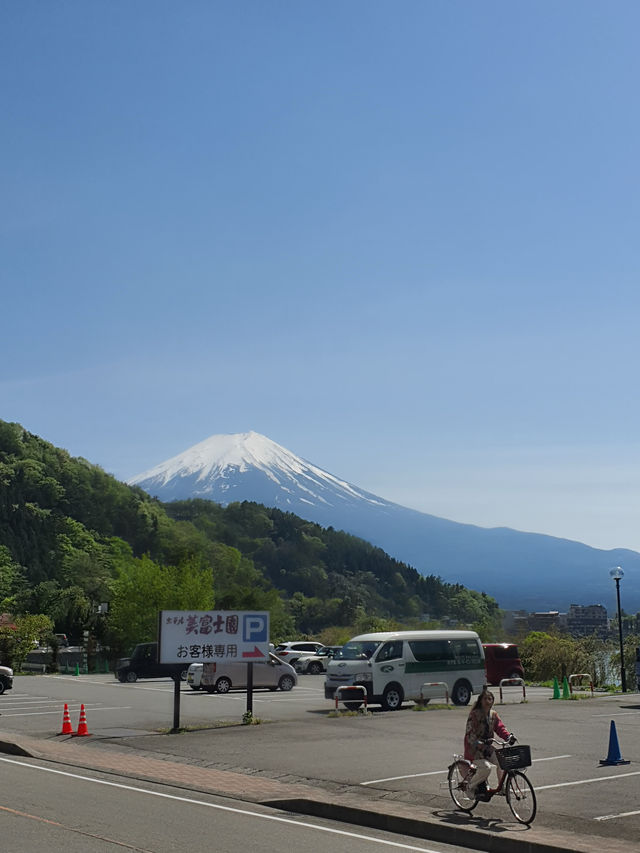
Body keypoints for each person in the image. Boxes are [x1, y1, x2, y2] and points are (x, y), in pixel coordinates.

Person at [464, 689, 512, 800]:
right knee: (486, 768)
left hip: (487, 748)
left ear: (492, 701)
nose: (487, 701)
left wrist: (508, 737)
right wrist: (478, 743)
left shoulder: (493, 715)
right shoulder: (474, 715)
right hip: (474, 750)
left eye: (489, 698)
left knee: (502, 761)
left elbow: (500, 728)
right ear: (480, 701)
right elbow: (469, 734)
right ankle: (469, 786)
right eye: (484, 698)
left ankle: (502, 786)